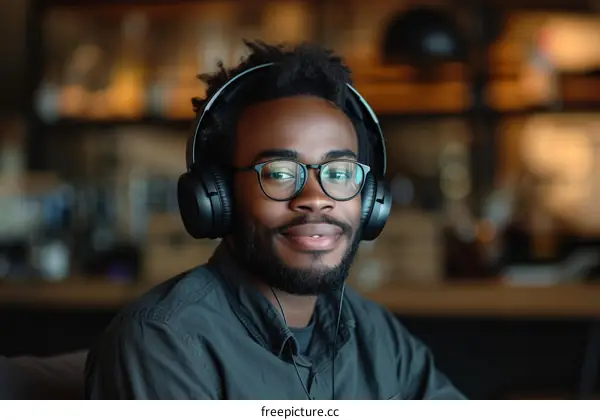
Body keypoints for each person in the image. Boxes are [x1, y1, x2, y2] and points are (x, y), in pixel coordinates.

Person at [84, 40, 465, 400]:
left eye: (339, 172)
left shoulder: (378, 336)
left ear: (369, 201)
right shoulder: (163, 342)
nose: (316, 199)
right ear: (219, 197)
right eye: (280, 173)